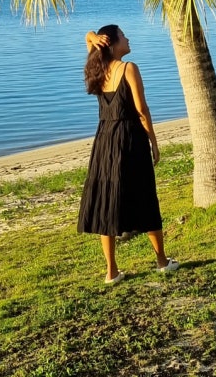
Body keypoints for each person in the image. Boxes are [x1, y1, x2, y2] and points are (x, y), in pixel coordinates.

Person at [77, 24, 179, 285]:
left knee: (107, 200)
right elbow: (142, 109)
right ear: (111, 43)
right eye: (123, 35)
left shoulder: (97, 68)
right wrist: (154, 142)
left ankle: (111, 271)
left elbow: (87, 38)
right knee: (145, 195)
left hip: (105, 140)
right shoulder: (129, 68)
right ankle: (161, 261)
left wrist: (91, 37)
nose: (128, 38)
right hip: (130, 137)